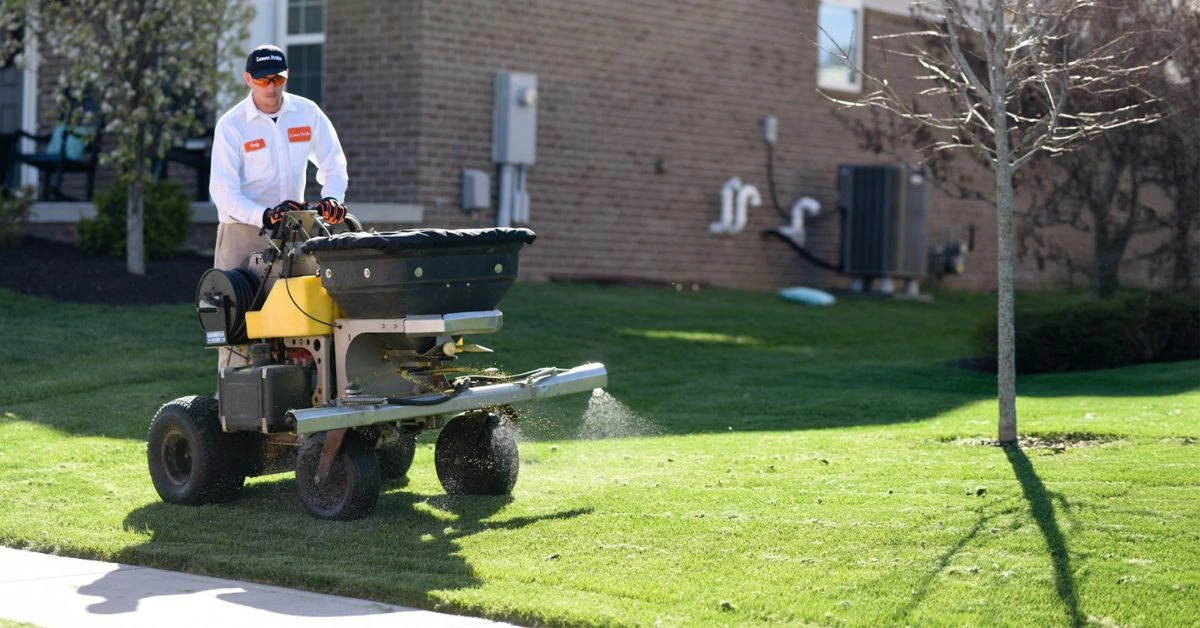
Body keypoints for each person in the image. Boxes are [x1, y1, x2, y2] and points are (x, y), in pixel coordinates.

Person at [208, 44, 349, 370]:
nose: (271, 87)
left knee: (295, 320)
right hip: (242, 233)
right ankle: (234, 393)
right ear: (248, 79)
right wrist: (263, 215)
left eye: (277, 79)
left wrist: (333, 198)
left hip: (292, 232)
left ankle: (294, 388)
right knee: (235, 325)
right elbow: (223, 192)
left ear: (287, 76)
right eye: (263, 80)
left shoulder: (307, 113)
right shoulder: (232, 125)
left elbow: (334, 164)